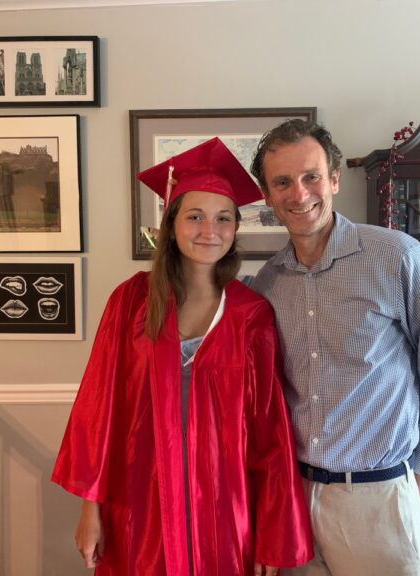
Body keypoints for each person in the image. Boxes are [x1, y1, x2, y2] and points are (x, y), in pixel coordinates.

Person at [52, 137, 313, 576]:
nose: (209, 230)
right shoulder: (132, 302)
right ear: (171, 224)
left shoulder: (250, 316)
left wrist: (272, 535)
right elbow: (100, 412)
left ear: (235, 229)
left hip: (225, 511)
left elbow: (270, 435)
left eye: (223, 219)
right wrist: (89, 510)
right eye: (195, 216)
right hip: (138, 503)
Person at [248, 120, 420, 576]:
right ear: (267, 196)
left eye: (311, 176)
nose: (299, 193)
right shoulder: (268, 283)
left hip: (379, 503)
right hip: (295, 499)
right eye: (282, 182)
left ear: (334, 178)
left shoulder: (396, 257)